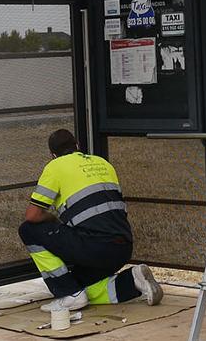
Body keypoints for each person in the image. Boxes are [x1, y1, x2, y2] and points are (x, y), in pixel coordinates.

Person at [18, 129, 162, 311]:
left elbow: (32, 215)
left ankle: (68, 294)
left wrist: (52, 217)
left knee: (28, 230)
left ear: (53, 155)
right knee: (78, 283)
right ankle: (132, 280)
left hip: (94, 248)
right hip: (122, 249)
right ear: (77, 146)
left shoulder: (55, 167)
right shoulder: (103, 163)